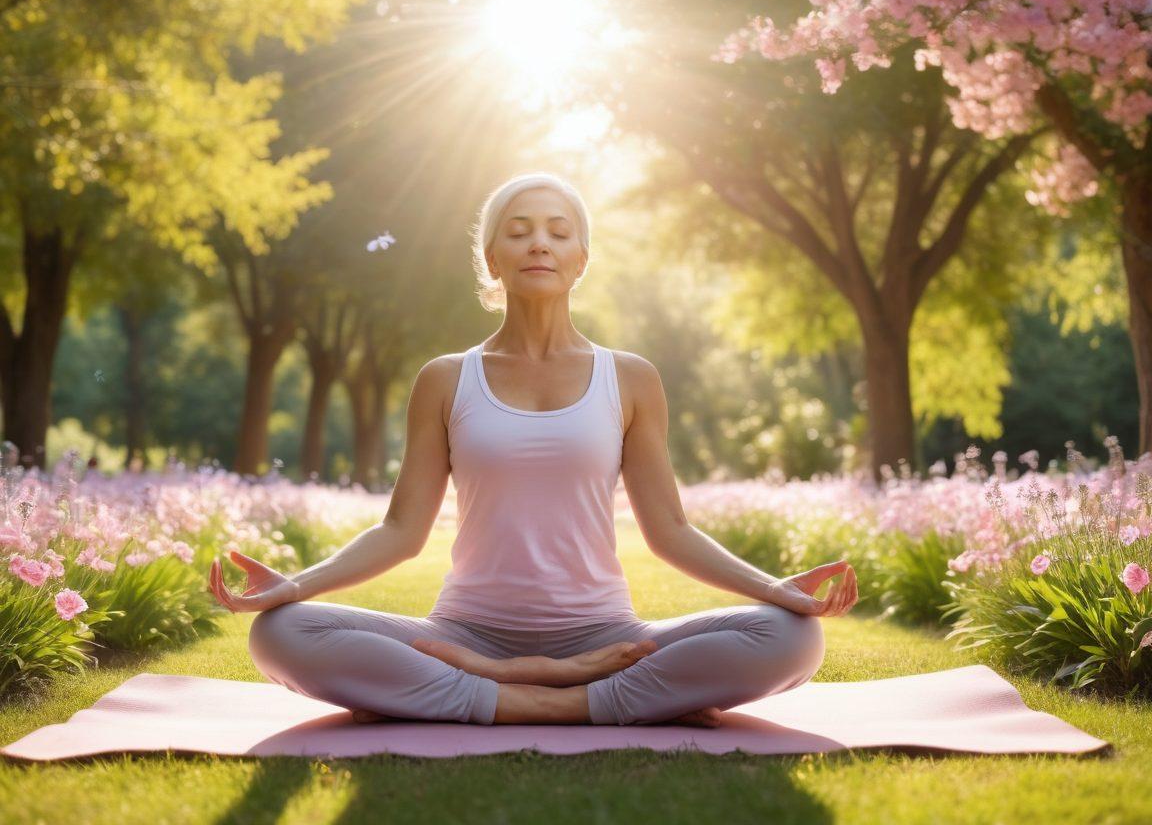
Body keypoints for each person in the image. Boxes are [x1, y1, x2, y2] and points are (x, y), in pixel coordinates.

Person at [208, 172, 858, 727]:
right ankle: (563, 695)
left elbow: (671, 532)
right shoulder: (445, 378)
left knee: (791, 639)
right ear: (491, 258)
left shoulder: (630, 378)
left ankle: (495, 694)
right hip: (461, 635)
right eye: (517, 230)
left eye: (556, 230)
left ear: (580, 256)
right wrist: (294, 586)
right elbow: (402, 530)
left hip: (607, 636)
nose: (538, 242)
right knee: (281, 633)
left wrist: (775, 589)